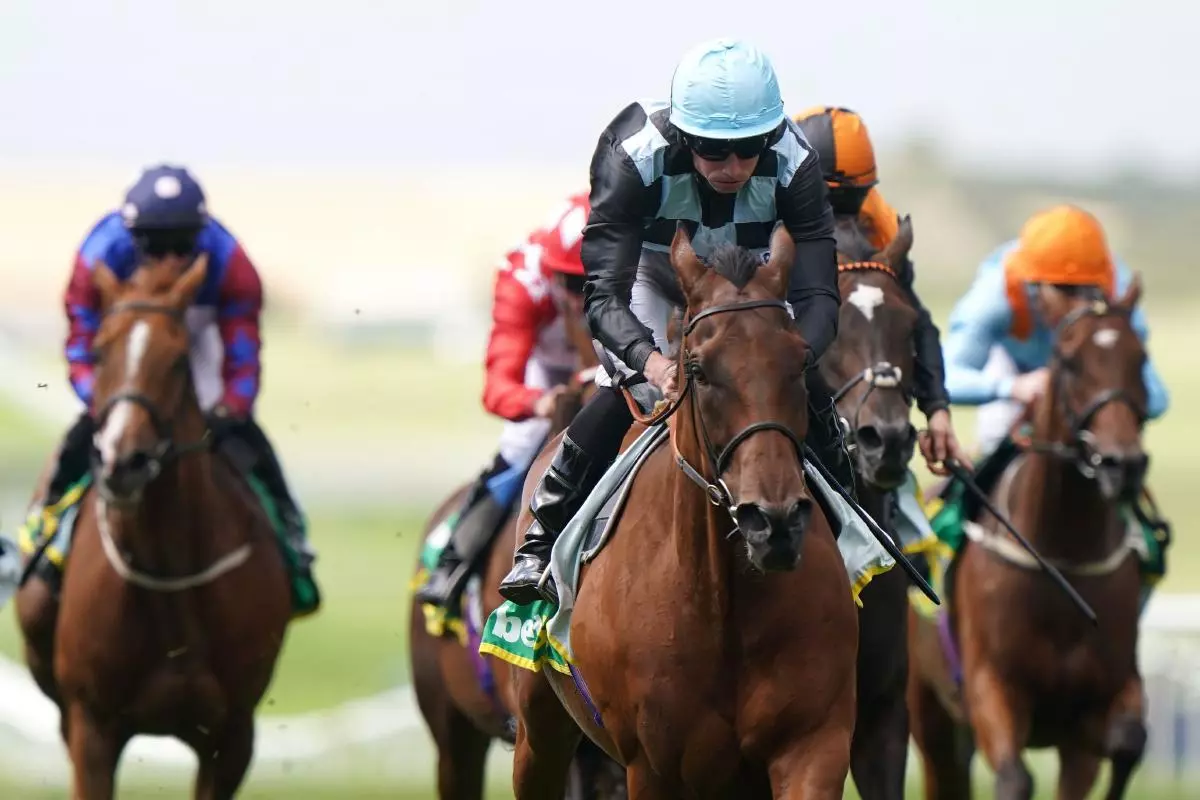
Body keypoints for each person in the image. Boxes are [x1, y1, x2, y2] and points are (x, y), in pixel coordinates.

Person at [499, 38, 854, 606]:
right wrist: (653, 363)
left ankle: (853, 522)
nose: (733, 168)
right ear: (684, 136)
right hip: (652, 271)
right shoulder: (631, 149)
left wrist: (784, 359)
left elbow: (818, 296)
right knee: (625, 389)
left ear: (772, 136)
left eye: (750, 150)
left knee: (786, 379)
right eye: (714, 152)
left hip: (746, 274)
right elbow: (604, 294)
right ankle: (541, 540)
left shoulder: (795, 159)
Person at [47, 164, 316, 587]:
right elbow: (81, 338)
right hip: (125, 326)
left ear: (200, 232)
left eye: (181, 243)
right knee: (88, 434)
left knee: (247, 438)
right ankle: (45, 531)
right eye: (156, 243)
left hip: (200, 323)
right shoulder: (100, 253)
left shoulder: (229, 260)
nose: (170, 255)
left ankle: (290, 533)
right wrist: (101, 401)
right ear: (133, 234)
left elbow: (242, 346)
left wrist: (233, 405)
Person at [938, 204, 1171, 606]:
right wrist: (1014, 387)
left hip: (1088, 384)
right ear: (1032, 285)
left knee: (1143, 523)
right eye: (1063, 291)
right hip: (1013, 374)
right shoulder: (997, 294)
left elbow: (1158, 397)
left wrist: (1106, 401)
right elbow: (943, 376)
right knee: (982, 465)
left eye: (1087, 292)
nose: (1077, 303)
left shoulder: (1119, 290)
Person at [414, 192, 593, 609]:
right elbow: (497, 388)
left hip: (614, 353)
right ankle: (455, 558)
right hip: (546, 368)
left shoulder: (637, 262)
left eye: (593, 282)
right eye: (572, 284)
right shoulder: (521, 284)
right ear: (549, 273)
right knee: (520, 443)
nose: (582, 299)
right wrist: (541, 403)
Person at [793, 105, 970, 476]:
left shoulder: (885, 229)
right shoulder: (766, 219)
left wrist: (937, 410)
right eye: (827, 197)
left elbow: (919, 324)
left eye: (853, 197)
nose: (840, 214)